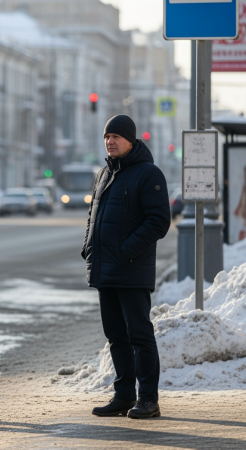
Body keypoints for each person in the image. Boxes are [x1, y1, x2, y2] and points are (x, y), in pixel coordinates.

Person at [81, 115, 171, 419]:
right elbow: (93, 216)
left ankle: (148, 399)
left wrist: (127, 251)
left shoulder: (149, 173)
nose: (110, 141)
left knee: (139, 336)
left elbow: (159, 221)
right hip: (105, 269)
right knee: (116, 336)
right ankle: (123, 396)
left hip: (131, 270)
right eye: (107, 137)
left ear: (131, 140)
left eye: (116, 137)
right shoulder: (104, 174)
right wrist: (88, 247)